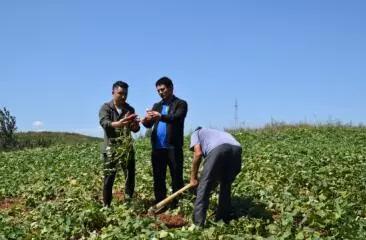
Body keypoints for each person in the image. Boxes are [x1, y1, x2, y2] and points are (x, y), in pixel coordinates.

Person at [141, 76, 188, 206]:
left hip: (173, 147)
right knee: (158, 177)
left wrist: (160, 116)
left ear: (171, 88)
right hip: (157, 148)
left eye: (163, 89)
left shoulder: (181, 103)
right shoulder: (157, 105)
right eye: (158, 91)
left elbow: (176, 118)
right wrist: (145, 121)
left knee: (176, 176)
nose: (161, 92)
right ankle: (160, 203)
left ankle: (177, 204)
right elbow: (149, 125)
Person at [189, 127, 242, 226]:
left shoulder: (196, 133)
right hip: (237, 150)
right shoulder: (217, 133)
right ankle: (223, 219)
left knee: (203, 187)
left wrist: (193, 178)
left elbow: (198, 153)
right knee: (225, 184)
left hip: (218, 150)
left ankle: (198, 224)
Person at [99, 81, 140, 207]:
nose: (123, 96)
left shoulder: (130, 109)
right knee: (109, 177)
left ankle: (128, 202)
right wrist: (119, 123)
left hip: (126, 147)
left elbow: (135, 130)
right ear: (113, 92)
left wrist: (135, 125)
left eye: (125, 94)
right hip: (110, 147)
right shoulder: (106, 107)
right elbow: (104, 123)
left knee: (130, 175)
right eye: (120, 93)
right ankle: (106, 205)